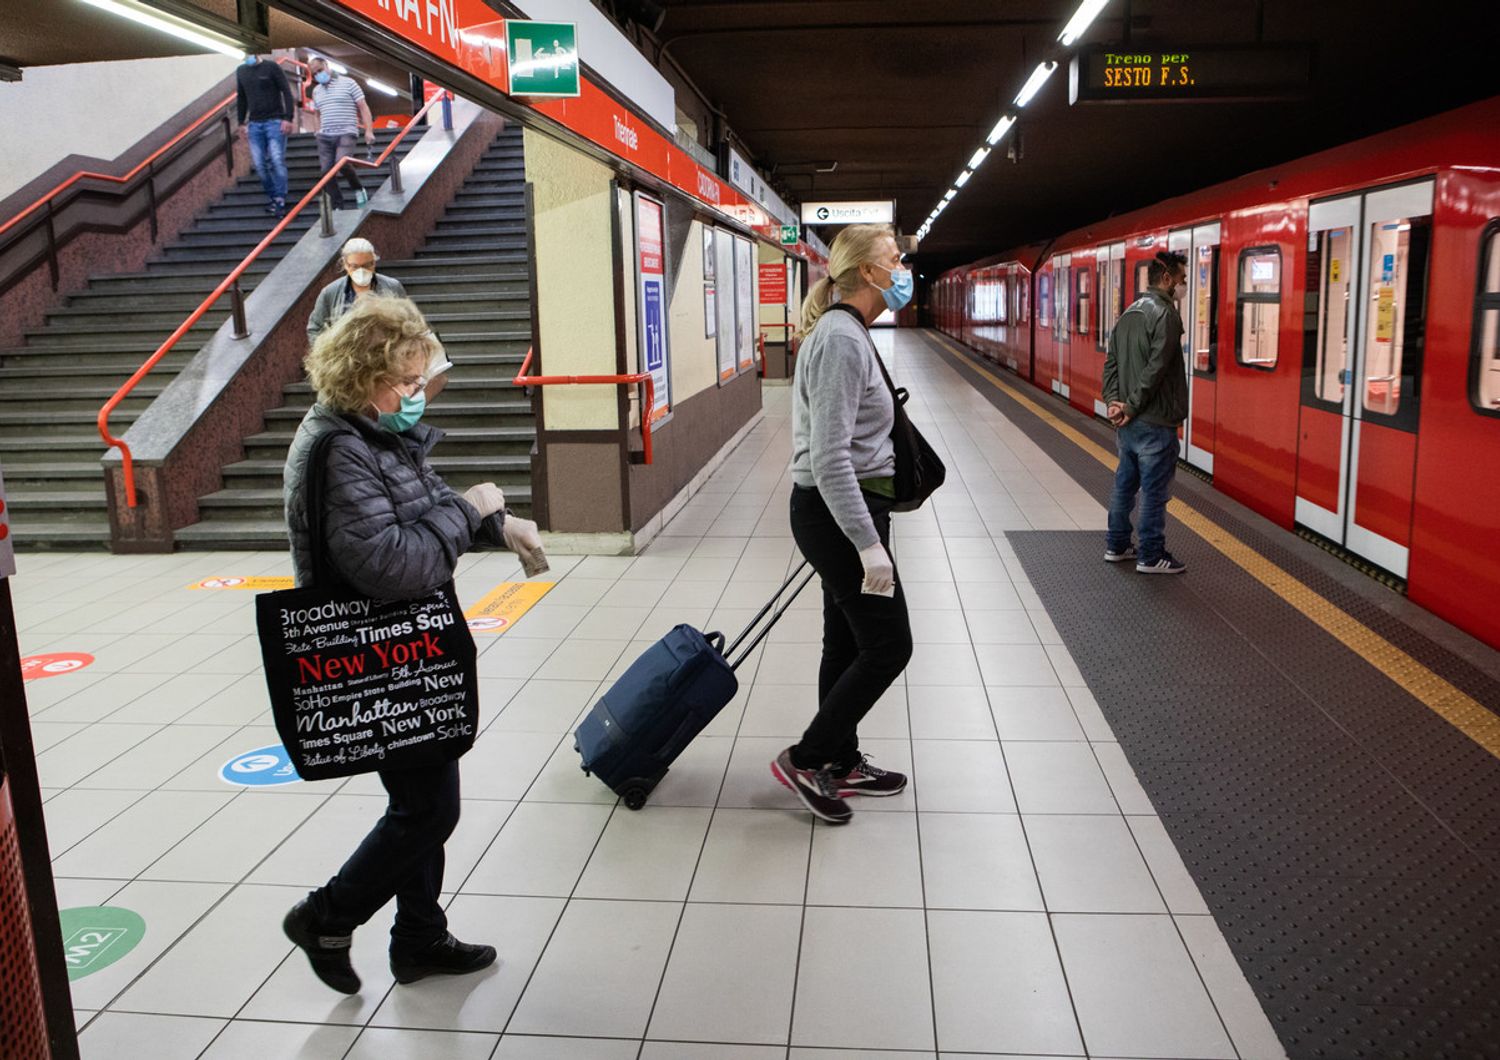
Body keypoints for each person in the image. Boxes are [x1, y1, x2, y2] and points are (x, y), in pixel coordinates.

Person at [281, 296, 513, 994]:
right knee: (428, 809)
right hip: (381, 653)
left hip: (413, 650)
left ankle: (418, 937)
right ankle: (327, 915)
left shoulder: (375, 437)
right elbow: (392, 564)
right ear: (366, 378)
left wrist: (499, 525)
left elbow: (425, 513)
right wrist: (466, 509)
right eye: (407, 382)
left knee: (421, 804)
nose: (417, 394)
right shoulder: (336, 450)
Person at [772, 223, 914, 825]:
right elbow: (828, 457)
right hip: (837, 515)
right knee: (889, 645)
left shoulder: (849, 332)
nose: (903, 266)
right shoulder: (841, 340)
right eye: (893, 258)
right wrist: (868, 546)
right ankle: (808, 759)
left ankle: (841, 759)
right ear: (865, 274)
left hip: (846, 508)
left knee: (848, 639)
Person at [1102, 249, 1190, 574]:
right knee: (1154, 492)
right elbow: (1157, 368)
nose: (1183, 287)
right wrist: (1133, 405)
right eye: (1181, 280)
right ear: (1166, 279)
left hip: (1128, 424)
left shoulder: (1128, 314)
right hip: (1154, 421)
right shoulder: (1165, 315)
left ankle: (1117, 544)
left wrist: (1114, 401)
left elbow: (1110, 364)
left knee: (1124, 485)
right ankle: (1151, 555)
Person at [306, 238, 407, 345]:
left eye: (367, 265)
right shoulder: (330, 293)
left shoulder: (392, 287)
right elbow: (315, 328)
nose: (361, 271)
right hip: (345, 358)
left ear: (374, 262)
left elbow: (409, 321)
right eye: (355, 266)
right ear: (345, 264)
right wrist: (328, 353)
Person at [307, 57, 375, 211]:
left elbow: (363, 107)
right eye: (314, 73)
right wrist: (317, 131)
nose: (318, 74)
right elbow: (317, 114)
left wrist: (368, 130)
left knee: (341, 162)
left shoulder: (349, 83)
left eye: (320, 70)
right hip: (325, 136)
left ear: (326, 66)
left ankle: (358, 189)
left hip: (346, 132)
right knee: (326, 172)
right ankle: (338, 205)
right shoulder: (316, 91)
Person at [236, 55, 295, 217]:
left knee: (276, 159)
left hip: (275, 121)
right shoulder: (241, 71)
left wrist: (288, 118)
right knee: (260, 164)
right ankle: (274, 196)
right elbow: (241, 97)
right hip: (254, 124)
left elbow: (286, 92)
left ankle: (280, 197)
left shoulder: (271, 67)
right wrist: (241, 122)